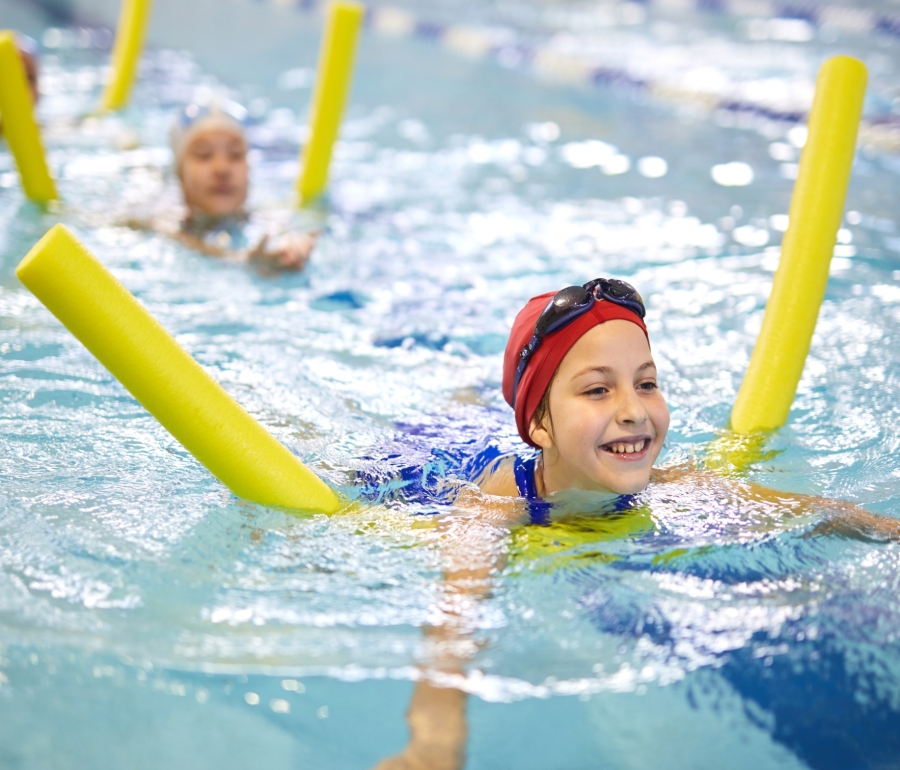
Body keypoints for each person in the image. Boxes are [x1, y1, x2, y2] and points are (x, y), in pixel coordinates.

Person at [374, 277, 900, 770]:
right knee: (438, 425)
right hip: (423, 461)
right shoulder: (492, 509)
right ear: (540, 425)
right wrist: (433, 739)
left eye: (645, 383)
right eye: (598, 390)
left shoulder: (672, 482)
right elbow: (454, 620)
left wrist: (884, 527)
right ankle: (460, 391)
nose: (634, 411)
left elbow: (811, 511)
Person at [164, 100, 315, 273]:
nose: (222, 169)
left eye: (236, 155)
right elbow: (180, 238)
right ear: (180, 173)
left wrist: (291, 244)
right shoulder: (161, 219)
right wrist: (242, 261)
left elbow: (283, 229)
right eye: (204, 155)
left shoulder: (267, 214)